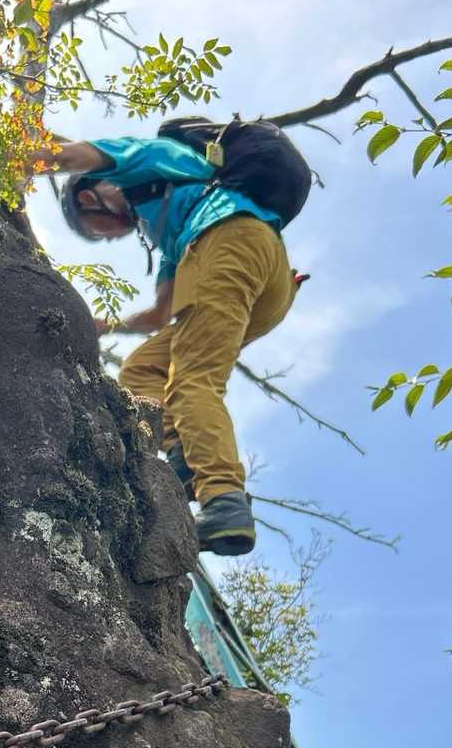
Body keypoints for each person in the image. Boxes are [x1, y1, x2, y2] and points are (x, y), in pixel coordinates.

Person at [30, 124, 306, 555]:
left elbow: (71, 156)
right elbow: (160, 314)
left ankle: (224, 500)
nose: (109, 236)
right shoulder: (177, 220)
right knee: (142, 368)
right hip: (265, 279)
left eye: (96, 230)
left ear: (89, 197)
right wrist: (109, 325)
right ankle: (184, 456)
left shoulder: (152, 159)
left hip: (231, 244)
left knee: (193, 380)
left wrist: (11, 158)